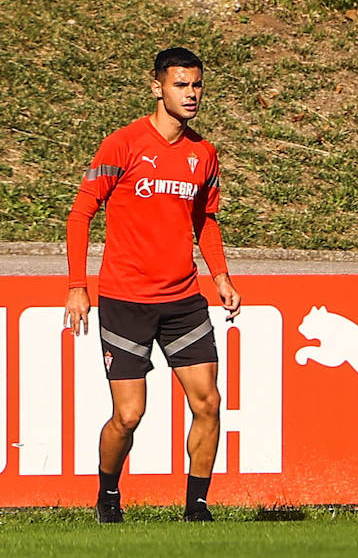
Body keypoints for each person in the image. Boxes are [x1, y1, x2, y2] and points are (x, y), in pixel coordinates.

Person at [65, 47, 243, 523]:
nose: (191, 94)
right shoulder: (121, 145)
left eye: (196, 85)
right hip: (126, 301)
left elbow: (206, 220)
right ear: (157, 87)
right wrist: (77, 286)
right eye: (180, 85)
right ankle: (107, 495)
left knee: (209, 402)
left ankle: (197, 508)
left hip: (184, 301)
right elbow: (80, 214)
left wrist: (220, 278)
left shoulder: (202, 153)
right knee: (128, 415)